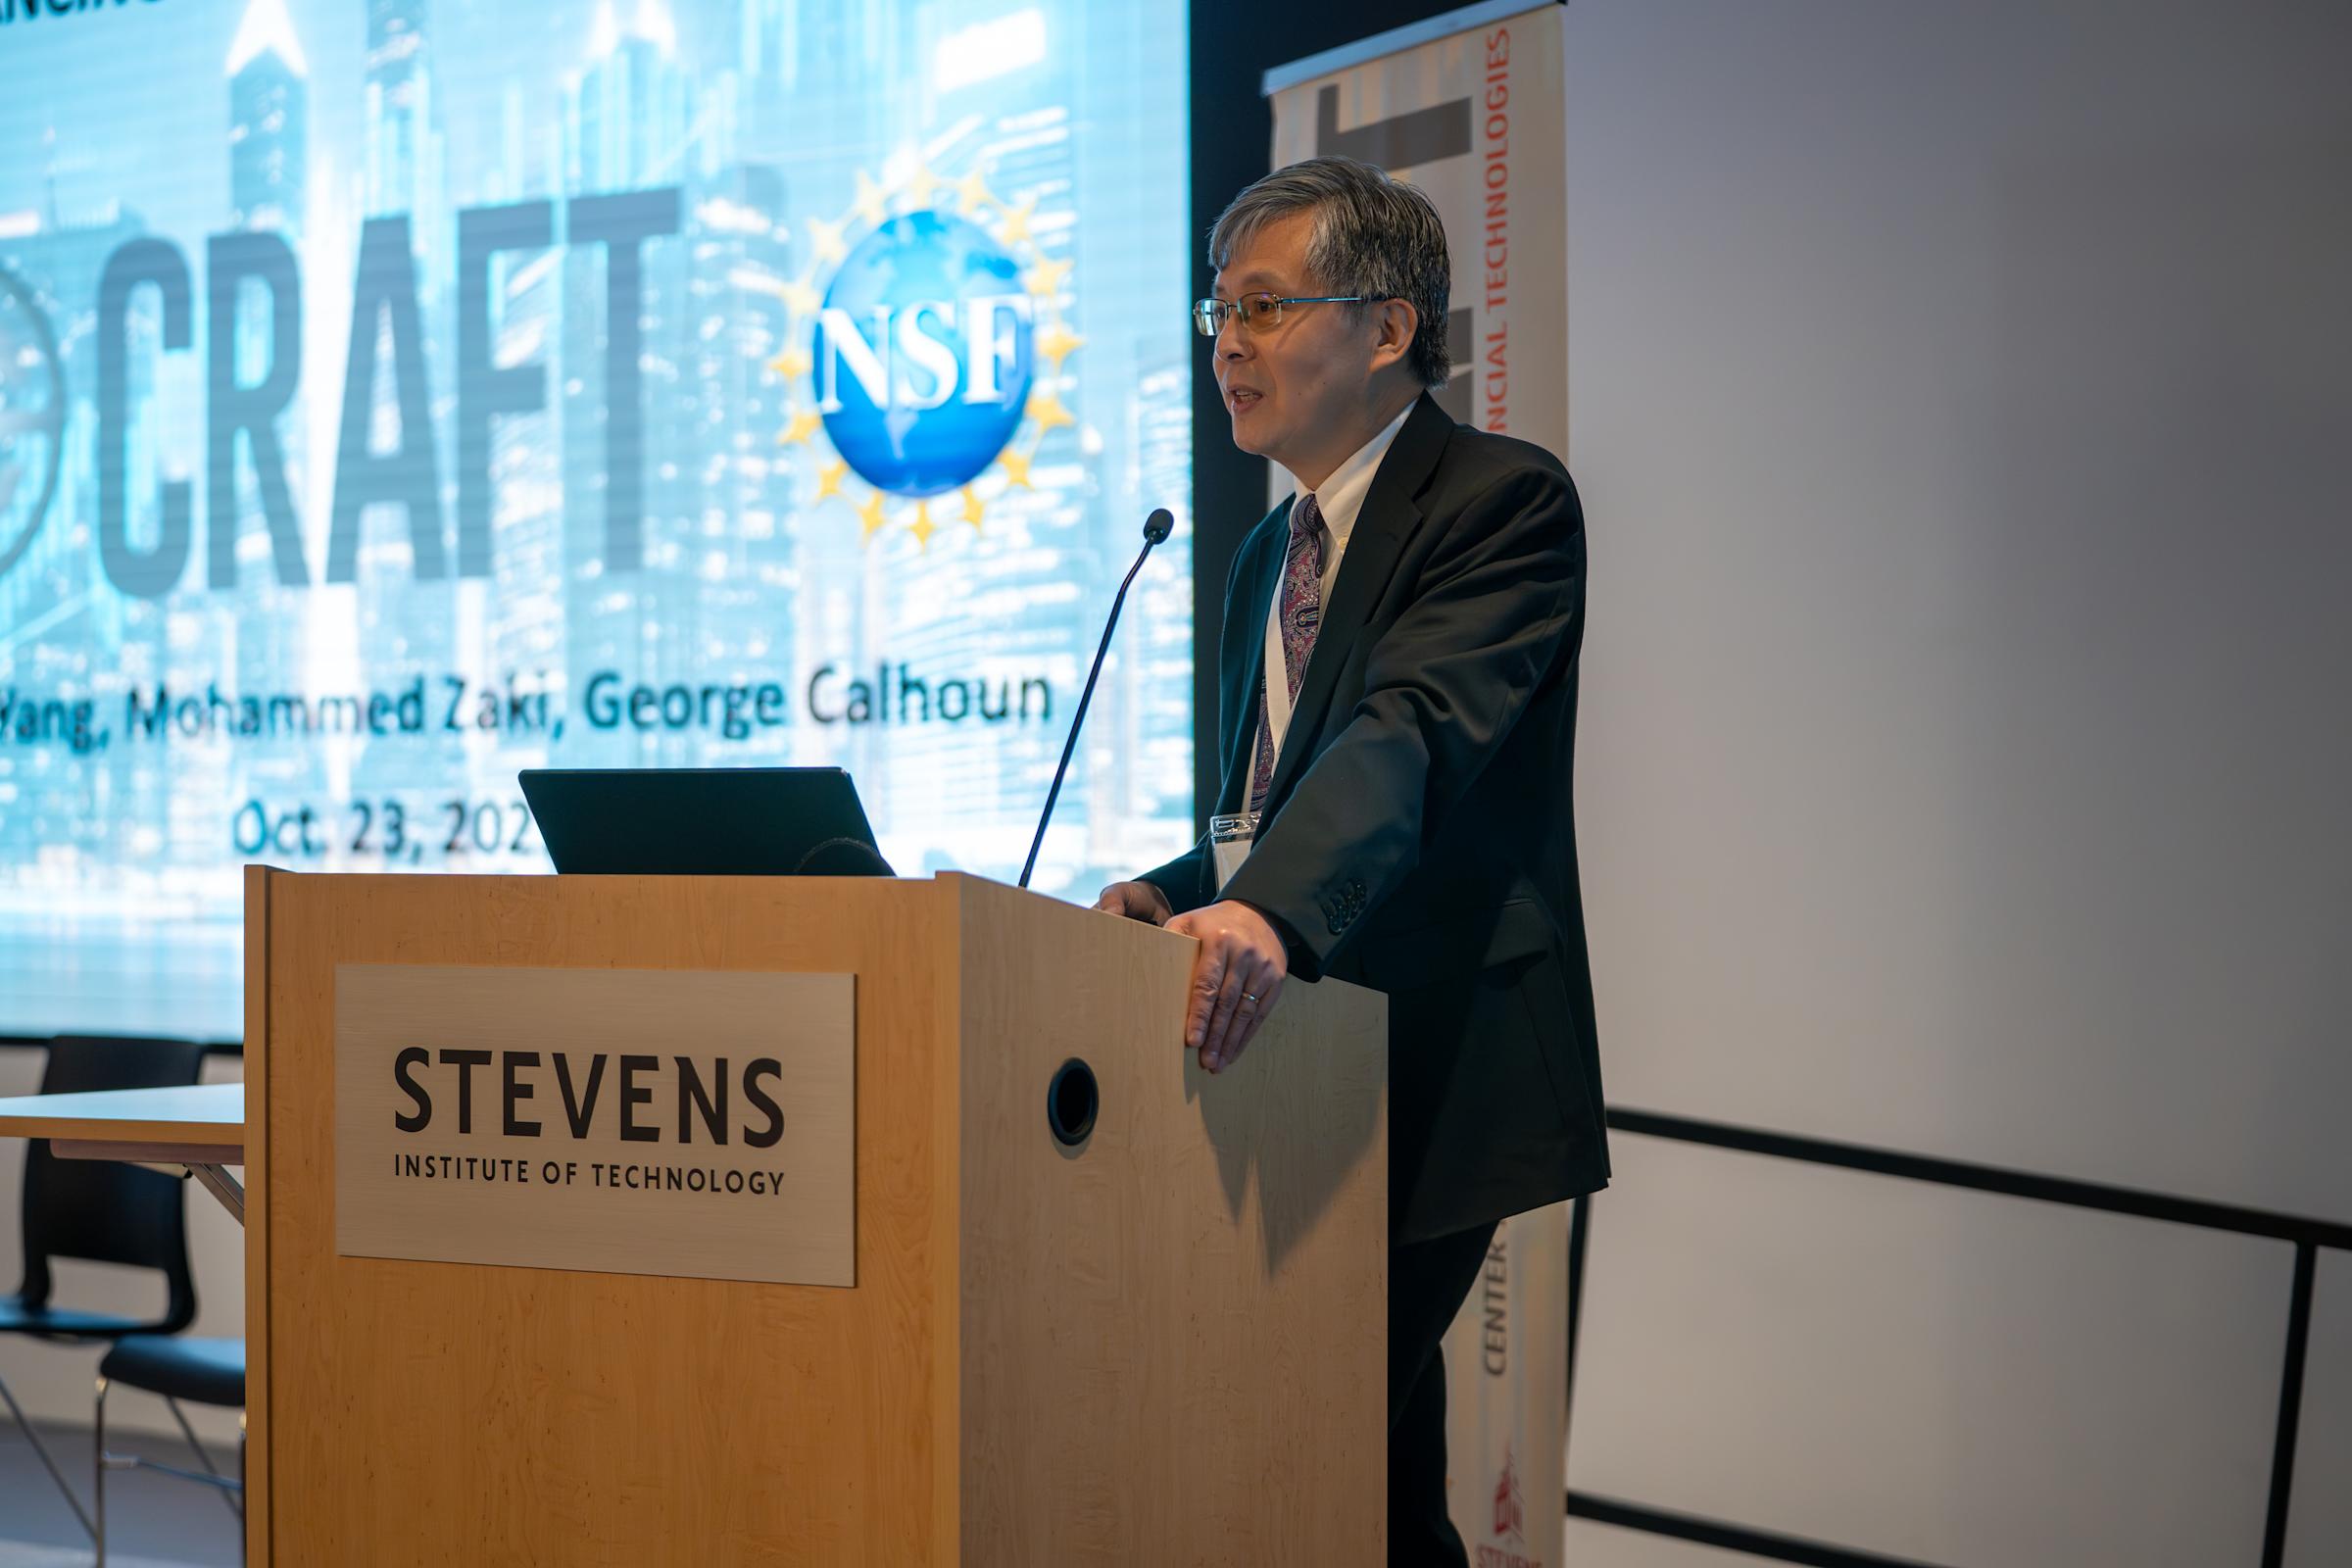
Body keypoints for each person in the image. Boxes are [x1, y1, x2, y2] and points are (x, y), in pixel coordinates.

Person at [1093, 156, 1607, 1565]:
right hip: (1292, 1054)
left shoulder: (1500, 503)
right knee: (1358, 1482)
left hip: (1432, 1060)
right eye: (1219, 312)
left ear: (1389, 328)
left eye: (1264, 307)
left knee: (1300, 1434)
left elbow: (1410, 739)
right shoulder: (1268, 553)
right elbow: (1274, 806)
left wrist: (1261, 911)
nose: (1228, 344)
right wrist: (1183, 891)